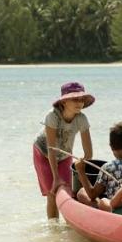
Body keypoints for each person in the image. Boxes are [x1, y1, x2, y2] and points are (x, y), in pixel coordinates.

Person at [33, 82, 94, 219]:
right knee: (52, 192)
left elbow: (88, 153)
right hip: (43, 153)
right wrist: (55, 177)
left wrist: (82, 171)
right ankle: (53, 227)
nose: (79, 103)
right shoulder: (52, 117)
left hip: (65, 155)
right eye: (75, 99)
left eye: (81, 99)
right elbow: (51, 149)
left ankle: (69, 227)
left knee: (68, 193)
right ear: (64, 101)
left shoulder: (82, 119)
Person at [76, 122, 122, 211]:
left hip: (112, 207)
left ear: (111, 146)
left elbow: (92, 194)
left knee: (81, 192)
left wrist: (81, 172)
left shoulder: (108, 167)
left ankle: (96, 206)